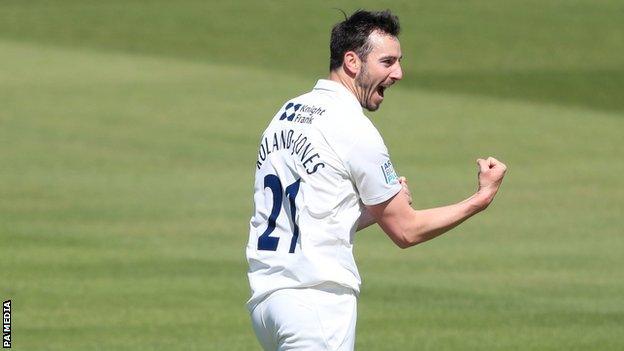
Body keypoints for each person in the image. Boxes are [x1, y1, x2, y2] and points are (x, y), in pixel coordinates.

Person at [246, 9, 507, 351]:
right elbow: (406, 230)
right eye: (387, 62)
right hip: (317, 302)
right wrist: (480, 199)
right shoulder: (352, 127)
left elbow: (306, 212)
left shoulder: (288, 113)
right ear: (352, 62)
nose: (398, 73)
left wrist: (372, 211)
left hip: (268, 301)